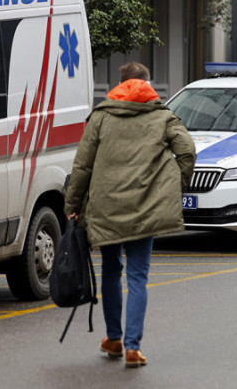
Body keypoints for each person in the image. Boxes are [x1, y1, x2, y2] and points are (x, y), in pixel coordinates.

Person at [64, 62, 196, 368]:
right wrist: (173, 186)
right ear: (148, 84)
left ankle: (114, 339)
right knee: (138, 276)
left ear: (120, 84)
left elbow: (82, 166)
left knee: (111, 269)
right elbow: (187, 151)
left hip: (107, 206)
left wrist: (72, 204)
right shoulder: (161, 115)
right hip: (147, 206)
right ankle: (133, 348)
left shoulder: (100, 116)